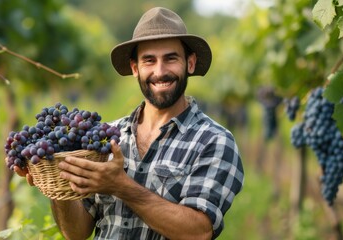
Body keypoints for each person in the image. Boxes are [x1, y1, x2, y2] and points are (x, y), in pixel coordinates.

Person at [14, 6, 244, 240]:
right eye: (149, 60)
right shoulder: (107, 137)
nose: (160, 71)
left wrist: (121, 186)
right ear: (135, 68)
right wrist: (57, 180)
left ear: (190, 63)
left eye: (170, 58)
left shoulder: (214, 141)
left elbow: (198, 232)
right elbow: (76, 232)